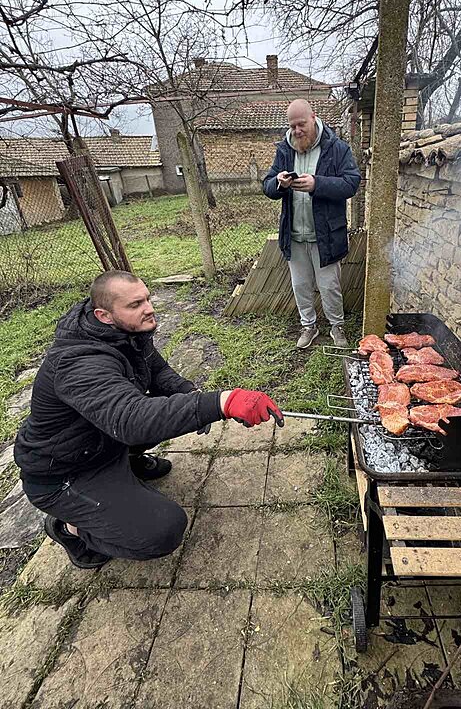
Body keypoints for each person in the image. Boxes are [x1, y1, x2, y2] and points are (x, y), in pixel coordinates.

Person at [14, 270, 283, 569]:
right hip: (64, 473)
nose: (149, 308)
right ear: (104, 314)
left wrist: (191, 395)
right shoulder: (78, 362)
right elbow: (130, 419)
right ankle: (69, 528)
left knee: (166, 411)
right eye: (135, 304)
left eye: (147, 298)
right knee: (163, 530)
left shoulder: (123, 333)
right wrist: (221, 402)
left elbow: (156, 371)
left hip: (101, 441)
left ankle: (124, 466)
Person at [263, 99, 361, 349]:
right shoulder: (285, 149)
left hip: (326, 235)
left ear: (313, 118)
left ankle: (336, 326)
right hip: (294, 234)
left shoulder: (336, 148)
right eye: (292, 125)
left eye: (301, 124)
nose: (297, 130)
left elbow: (351, 183)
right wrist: (279, 182)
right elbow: (267, 185)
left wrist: (318, 184)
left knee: (330, 287)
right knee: (301, 286)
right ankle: (309, 326)